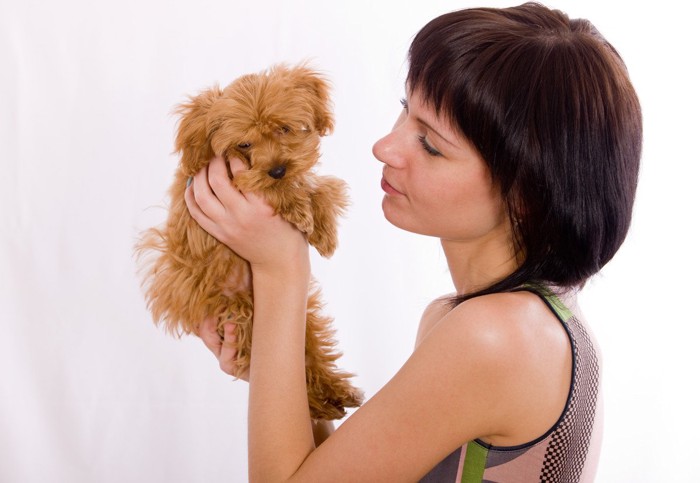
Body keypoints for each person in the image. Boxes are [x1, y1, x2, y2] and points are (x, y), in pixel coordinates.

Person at [184, 3, 641, 481]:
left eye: (430, 144)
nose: (384, 146)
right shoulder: (496, 318)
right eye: (406, 110)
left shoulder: (496, 338)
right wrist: (270, 360)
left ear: (526, 195)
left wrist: (281, 270)